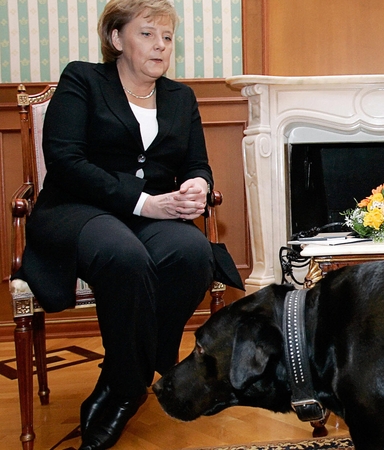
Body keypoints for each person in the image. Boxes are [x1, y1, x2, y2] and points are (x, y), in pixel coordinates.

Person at [11, 1, 239, 448]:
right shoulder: (83, 80)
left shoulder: (181, 97)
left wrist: (195, 183)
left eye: (168, 38)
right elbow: (65, 160)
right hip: (79, 209)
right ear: (116, 40)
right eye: (148, 34)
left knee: (193, 254)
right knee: (123, 254)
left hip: (151, 213)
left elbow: (197, 163)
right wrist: (142, 202)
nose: (161, 46)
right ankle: (130, 388)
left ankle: (120, 379)